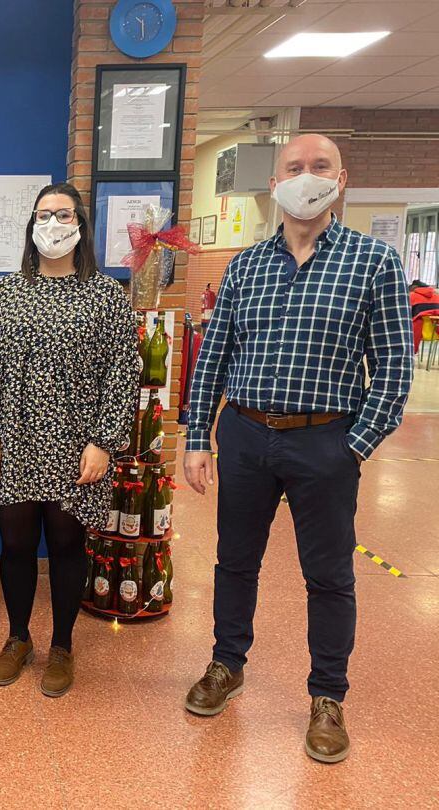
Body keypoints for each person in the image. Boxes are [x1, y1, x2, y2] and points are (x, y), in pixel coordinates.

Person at [183, 134, 412, 763]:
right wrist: (196, 435)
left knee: (329, 574)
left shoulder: (374, 263)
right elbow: (215, 359)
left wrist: (354, 447)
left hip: (326, 440)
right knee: (235, 561)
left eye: (318, 167)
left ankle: (327, 697)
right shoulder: (247, 266)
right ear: (275, 181)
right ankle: (227, 663)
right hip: (247, 434)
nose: (304, 177)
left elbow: (394, 367)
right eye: (293, 167)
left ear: (340, 180)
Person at [0, 182, 139, 698]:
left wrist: (105, 441)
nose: (53, 223)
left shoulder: (106, 295)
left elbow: (122, 374)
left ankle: (62, 645)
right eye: (44, 214)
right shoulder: (4, 293)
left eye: (63, 214)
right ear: (31, 224)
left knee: (67, 543)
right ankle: (18, 637)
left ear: (80, 224)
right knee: (16, 543)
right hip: (14, 438)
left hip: (78, 442)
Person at [409, 279, 439, 354]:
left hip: (418, 332)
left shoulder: (412, 296)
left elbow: (407, 315)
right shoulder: (437, 296)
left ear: (414, 288)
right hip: (435, 332)